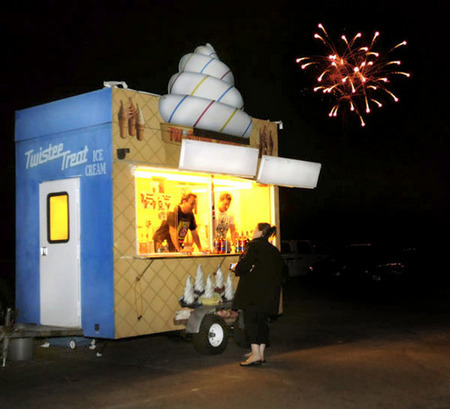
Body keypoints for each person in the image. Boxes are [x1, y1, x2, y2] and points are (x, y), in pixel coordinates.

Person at [231, 223, 284, 367]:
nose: (253, 232)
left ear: (260, 232)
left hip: (253, 293)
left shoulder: (254, 246)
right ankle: (260, 353)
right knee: (262, 322)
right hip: (269, 293)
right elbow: (283, 271)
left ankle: (255, 354)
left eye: (255, 230)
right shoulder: (273, 250)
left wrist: (236, 267)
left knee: (252, 321)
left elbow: (245, 265)